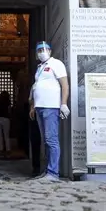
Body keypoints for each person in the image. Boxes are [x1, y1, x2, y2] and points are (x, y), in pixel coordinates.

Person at [28, 41, 69, 181]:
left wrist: (63, 103)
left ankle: (53, 173)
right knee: (46, 141)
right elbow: (35, 87)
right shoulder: (39, 67)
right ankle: (47, 172)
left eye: (44, 50)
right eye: (39, 50)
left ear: (50, 51)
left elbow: (64, 84)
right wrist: (33, 106)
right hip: (40, 107)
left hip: (51, 107)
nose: (41, 52)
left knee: (51, 140)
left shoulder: (56, 64)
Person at [0, 91, 12, 158]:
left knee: (0, 135)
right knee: (6, 135)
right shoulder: (8, 100)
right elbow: (9, 109)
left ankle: (0, 149)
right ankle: (8, 150)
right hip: (6, 118)